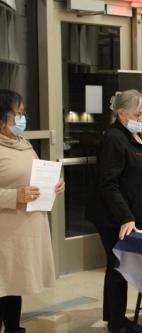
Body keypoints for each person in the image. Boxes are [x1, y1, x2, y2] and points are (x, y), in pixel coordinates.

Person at [85, 90, 142, 333]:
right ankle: (117, 323)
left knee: (119, 266)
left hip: (128, 215)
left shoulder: (133, 135)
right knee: (119, 266)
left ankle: (115, 318)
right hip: (113, 217)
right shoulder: (115, 139)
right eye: (138, 114)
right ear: (121, 113)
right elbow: (108, 183)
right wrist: (126, 216)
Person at [0, 89, 64, 333]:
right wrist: (14, 195)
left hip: (25, 229)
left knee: (14, 283)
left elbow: (34, 174)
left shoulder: (22, 143)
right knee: (2, 285)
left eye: (23, 113)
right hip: (5, 232)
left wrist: (54, 185)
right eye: (17, 113)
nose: (22, 119)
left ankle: (14, 328)